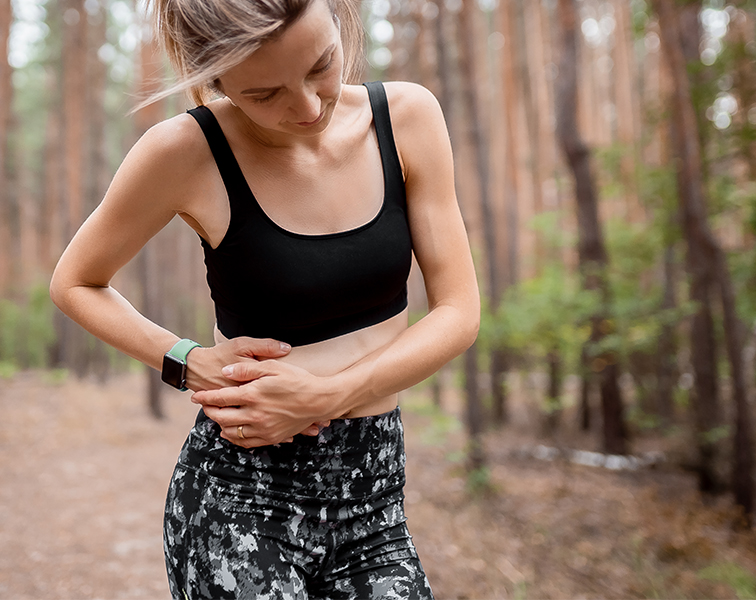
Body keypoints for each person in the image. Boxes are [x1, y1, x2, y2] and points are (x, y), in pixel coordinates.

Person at [49, 0, 480, 596]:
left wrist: (325, 396)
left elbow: (458, 312)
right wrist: (185, 359)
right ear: (214, 81)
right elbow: (75, 282)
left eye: (321, 65)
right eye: (264, 94)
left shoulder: (407, 117)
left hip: (375, 499)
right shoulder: (183, 152)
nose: (306, 106)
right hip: (240, 500)